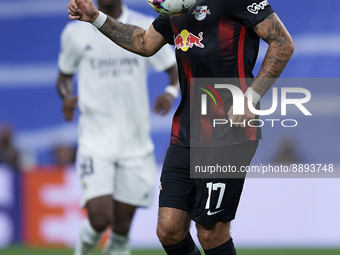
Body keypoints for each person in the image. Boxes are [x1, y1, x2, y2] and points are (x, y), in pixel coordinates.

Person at [67, 0, 294, 254]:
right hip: (185, 130)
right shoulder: (174, 9)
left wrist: (251, 98)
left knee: (211, 233)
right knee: (169, 230)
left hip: (229, 130)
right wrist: (96, 17)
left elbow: (283, 42)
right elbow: (144, 42)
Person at [57, 1, 178, 254]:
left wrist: (169, 92)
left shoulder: (144, 26)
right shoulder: (75, 32)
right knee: (100, 220)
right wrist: (67, 97)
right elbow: (64, 76)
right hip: (95, 140)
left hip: (135, 143)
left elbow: (173, 69)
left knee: (121, 227)